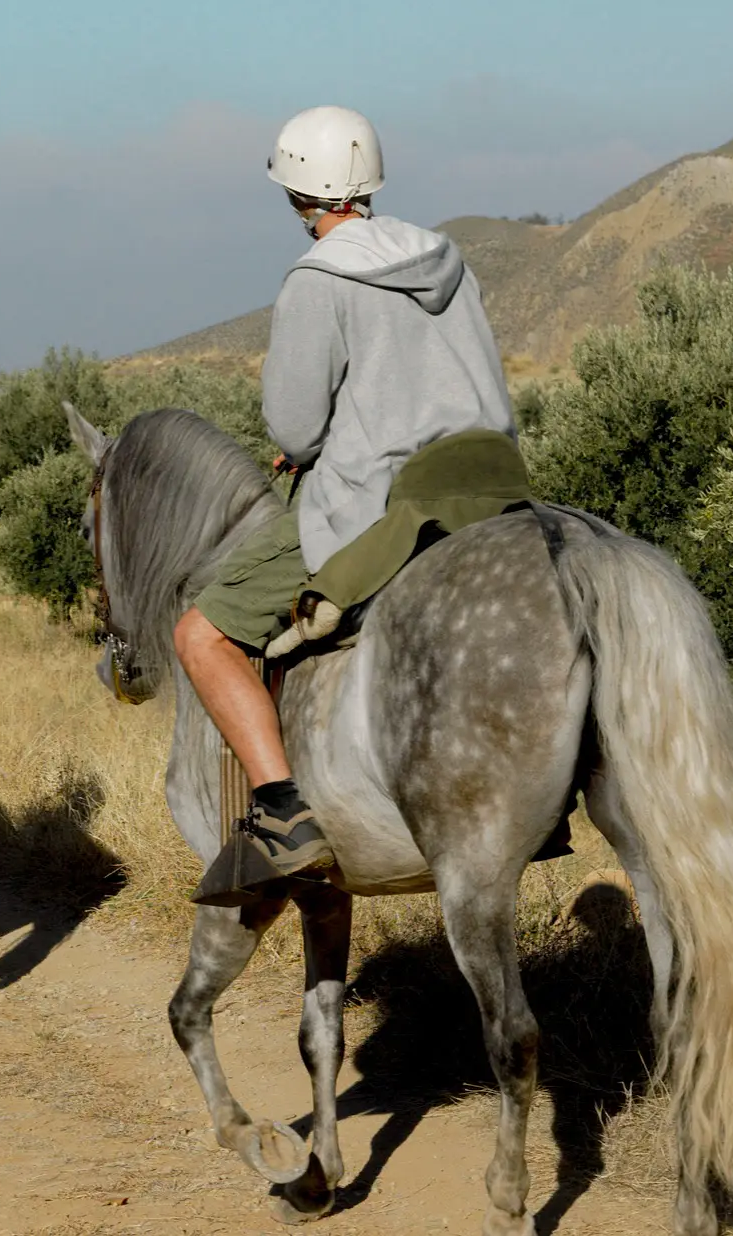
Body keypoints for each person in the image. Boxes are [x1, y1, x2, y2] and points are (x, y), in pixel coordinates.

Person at [181, 105, 520, 906]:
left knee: (200, 634)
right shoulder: (447, 257)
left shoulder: (316, 279)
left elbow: (295, 428)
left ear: (296, 194)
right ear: (368, 180)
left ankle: (280, 816)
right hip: (489, 488)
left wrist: (308, 446)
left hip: (383, 503)